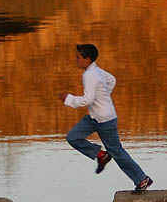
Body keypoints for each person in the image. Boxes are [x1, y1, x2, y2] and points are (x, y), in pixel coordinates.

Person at [59, 44, 152, 192]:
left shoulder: (89, 75)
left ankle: (142, 179)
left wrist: (68, 99)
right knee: (73, 137)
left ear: (87, 59)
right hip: (94, 117)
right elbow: (112, 80)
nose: (76, 60)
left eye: (78, 57)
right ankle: (101, 155)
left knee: (116, 151)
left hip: (105, 120)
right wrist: (103, 96)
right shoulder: (95, 70)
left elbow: (88, 100)